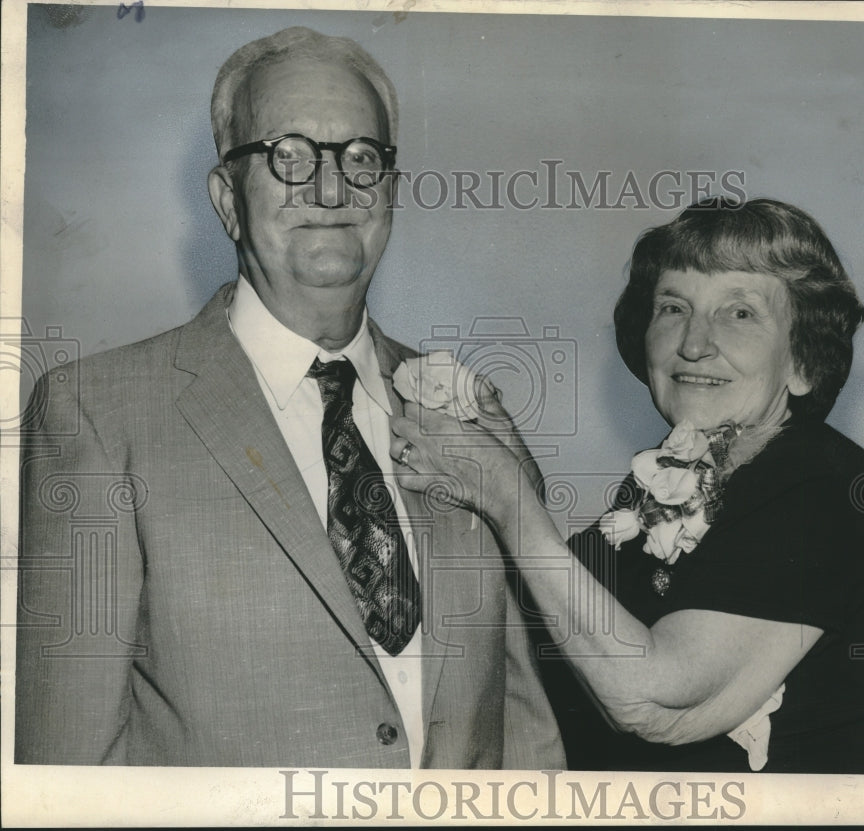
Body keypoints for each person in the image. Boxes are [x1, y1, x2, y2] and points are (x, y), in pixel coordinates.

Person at [15, 27, 564, 769]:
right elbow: (69, 769)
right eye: (289, 157)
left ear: (391, 194)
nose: (332, 190)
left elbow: (522, 729)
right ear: (227, 199)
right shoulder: (97, 415)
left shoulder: (462, 410)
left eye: (361, 158)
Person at [390, 198, 864, 773]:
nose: (694, 343)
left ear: (803, 362)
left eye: (740, 314)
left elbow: (651, 700)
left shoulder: (819, 487)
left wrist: (508, 495)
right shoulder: (676, 481)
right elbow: (552, 620)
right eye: (674, 307)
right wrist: (503, 452)